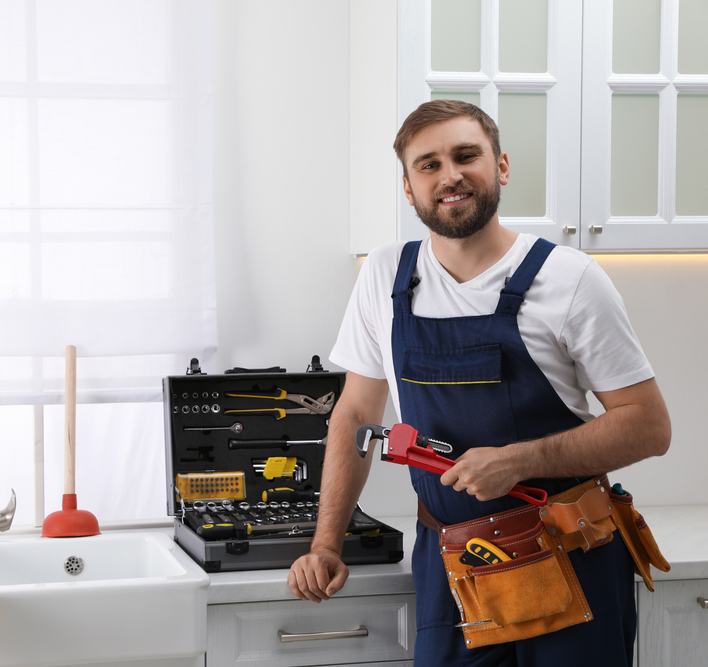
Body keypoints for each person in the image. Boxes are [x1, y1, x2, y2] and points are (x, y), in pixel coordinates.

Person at [287, 100, 671, 666]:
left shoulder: (570, 279)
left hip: (571, 558)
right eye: (429, 164)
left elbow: (648, 427)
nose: (450, 175)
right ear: (409, 186)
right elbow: (355, 415)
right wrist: (326, 544)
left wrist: (518, 460)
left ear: (502, 167)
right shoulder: (384, 276)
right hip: (452, 565)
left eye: (467, 156)